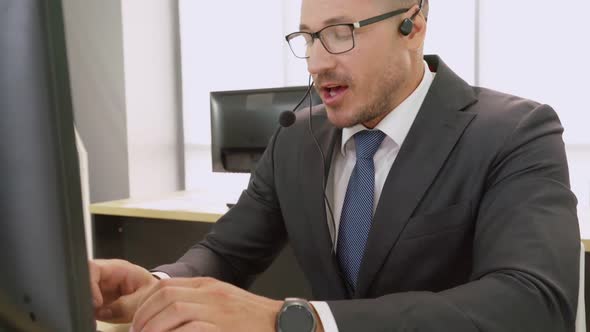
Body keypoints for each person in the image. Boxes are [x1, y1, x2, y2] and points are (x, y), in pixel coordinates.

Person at [89, 0, 581, 331]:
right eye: (307, 38)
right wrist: (158, 286)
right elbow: (228, 252)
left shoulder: (515, 131)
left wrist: (298, 320)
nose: (316, 62)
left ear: (413, 25)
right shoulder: (295, 137)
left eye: (340, 33)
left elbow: (532, 301)